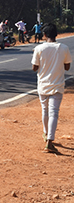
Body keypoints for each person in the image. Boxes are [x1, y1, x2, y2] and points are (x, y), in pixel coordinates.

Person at [30, 23, 71, 153]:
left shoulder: (39, 48)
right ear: (56, 34)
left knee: (45, 110)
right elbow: (67, 67)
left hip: (43, 84)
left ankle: (45, 133)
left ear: (45, 35)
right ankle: (50, 141)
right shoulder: (63, 48)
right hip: (57, 84)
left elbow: (34, 68)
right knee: (54, 112)